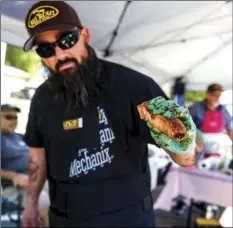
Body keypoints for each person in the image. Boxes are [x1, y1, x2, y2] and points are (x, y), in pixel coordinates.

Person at [22, 1, 203, 227]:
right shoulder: (41, 98)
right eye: (46, 49)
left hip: (127, 218)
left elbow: (187, 156)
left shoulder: (134, 86)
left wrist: (183, 141)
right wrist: (31, 203)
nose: (60, 54)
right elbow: (37, 156)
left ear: (85, 35)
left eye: (67, 40)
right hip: (65, 219)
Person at [1, 104, 50, 226]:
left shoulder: (19, 137)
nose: (13, 121)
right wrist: (13, 176)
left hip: (38, 179)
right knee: (47, 205)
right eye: (9, 117)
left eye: (15, 117)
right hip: (17, 187)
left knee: (66, 196)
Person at [189, 84, 232, 158]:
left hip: (217, 148)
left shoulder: (223, 110)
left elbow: (230, 129)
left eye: (220, 95)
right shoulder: (195, 108)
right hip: (197, 147)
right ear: (207, 95)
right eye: (215, 95)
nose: (218, 98)